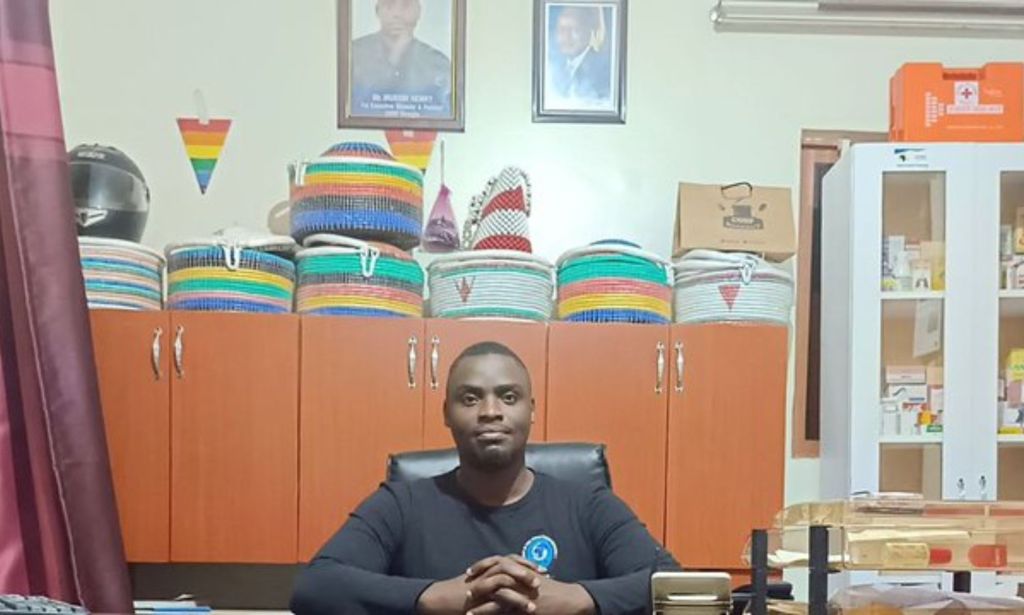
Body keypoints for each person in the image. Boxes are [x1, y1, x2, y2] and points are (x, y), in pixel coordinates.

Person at [290, 341, 679, 615]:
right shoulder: (401, 504)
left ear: (532, 411)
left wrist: (579, 598)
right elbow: (315, 587)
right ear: (447, 412)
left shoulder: (589, 504)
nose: (490, 411)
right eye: (471, 398)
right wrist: (432, 597)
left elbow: (677, 585)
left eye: (508, 397)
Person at [350, 0, 452, 116]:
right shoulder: (352, 55)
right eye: (389, 5)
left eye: (406, 5)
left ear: (418, 12)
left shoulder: (438, 64)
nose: (396, 14)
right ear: (377, 11)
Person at [548, 6, 611, 104]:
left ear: (588, 31)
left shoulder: (604, 71)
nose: (566, 36)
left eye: (573, 29)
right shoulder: (552, 68)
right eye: (561, 29)